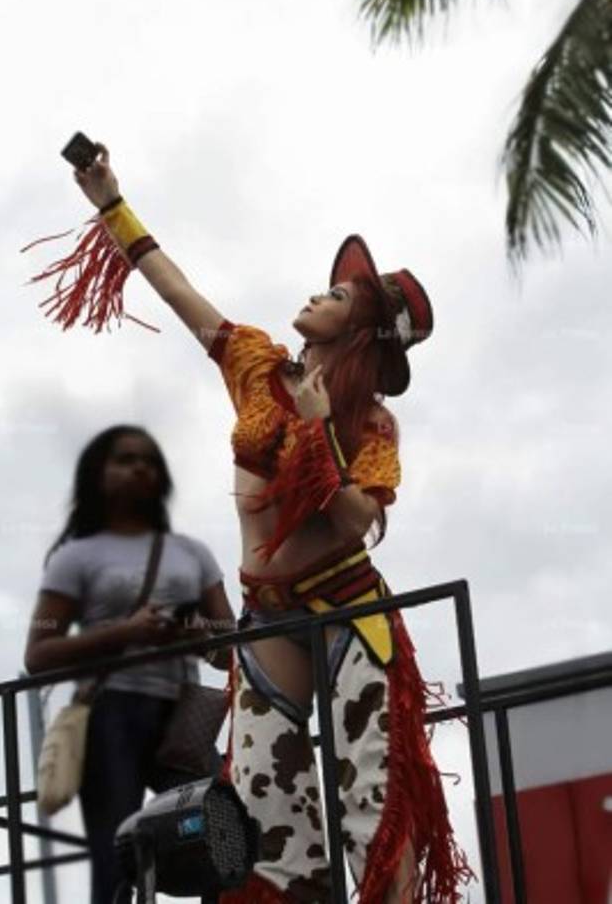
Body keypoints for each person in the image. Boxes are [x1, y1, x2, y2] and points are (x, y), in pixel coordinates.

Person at [27, 144, 472, 903]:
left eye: (334, 295)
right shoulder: (258, 365)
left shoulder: (372, 423)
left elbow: (359, 519)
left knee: (374, 806)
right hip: (267, 615)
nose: (314, 294)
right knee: (266, 822)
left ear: (359, 329)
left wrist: (319, 427)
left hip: (347, 609)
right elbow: (179, 293)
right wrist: (110, 203)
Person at [24, 424, 235, 904]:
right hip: (111, 715)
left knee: (220, 838)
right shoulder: (74, 558)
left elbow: (231, 643)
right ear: (97, 475)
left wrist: (198, 633)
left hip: (183, 718)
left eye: (149, 460)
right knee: (117, 863)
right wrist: (126, 632)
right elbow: (38, 653)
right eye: (124, 459)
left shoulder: (193, 554)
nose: (139, 467)